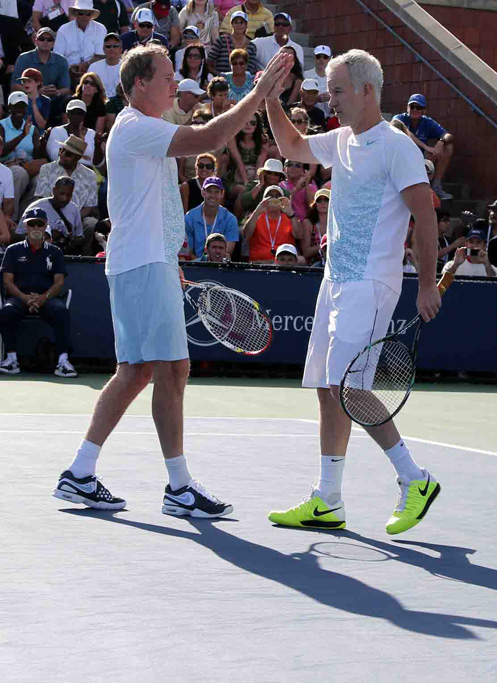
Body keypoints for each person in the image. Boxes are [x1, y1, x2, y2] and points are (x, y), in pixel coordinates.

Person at [51, 43, 294, 516]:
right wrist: (260, 92)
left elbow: (150, 204)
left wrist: (168, 258)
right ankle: (179, 488)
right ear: (140, 83)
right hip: (142, 265)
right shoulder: (136, 127)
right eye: (166, 77)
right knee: (171, 369)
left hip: (147, 262)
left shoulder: (144, 129)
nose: (173, 84)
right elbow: (211, 136)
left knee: (138, 371)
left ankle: (80, 472)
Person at [266, 49, 443, 535]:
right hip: (335, 281)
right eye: (329, 91)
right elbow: (291, 145)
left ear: (367, 91)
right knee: (330, 389)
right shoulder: (341, 140)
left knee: (350, 389)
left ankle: (415, 478)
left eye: (338, 90)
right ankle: (328, 499)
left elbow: (425, 216)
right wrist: (270, 100)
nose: (331, 100)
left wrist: (427, 283)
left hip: (371, 283)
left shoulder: (397, 147)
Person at [0, 207, 77, 378]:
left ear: (45, 226)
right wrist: (24, 298)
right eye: (32, 224)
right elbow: (7, 281)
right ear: (26, 227)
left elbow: (59, 282)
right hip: (19, 297)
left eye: (39, 224)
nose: (35, 227)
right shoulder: (13, 250)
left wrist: (44, 297)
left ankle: (63, 361)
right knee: (6, 312)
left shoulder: (55, 252)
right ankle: (11, 360)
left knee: (61, 312)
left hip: (46, 298)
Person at [35, 134, 99, 252]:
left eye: (68, 154)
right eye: (62, 150)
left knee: (91, 224)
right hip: (50, 217)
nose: (63, 155)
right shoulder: (46, 169)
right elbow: (41, 200)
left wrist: (73, 219)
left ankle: (84, 257)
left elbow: (89, 207)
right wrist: (57, 221)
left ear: (78, 157)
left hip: (79, 218)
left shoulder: (90, 175)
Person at [392, 93, 455, 201]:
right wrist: (425, 146)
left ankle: (435, 186)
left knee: (447, 147)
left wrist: (441, 141)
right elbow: (404, 132)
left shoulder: (427, 122)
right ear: (407, 108)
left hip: (422, 161)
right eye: (412, 107)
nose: (415, 110)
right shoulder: (399, 118)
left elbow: (448, 135)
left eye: (419, 107)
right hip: (402, 160)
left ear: (424, 110)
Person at [11, 28, 72, 125]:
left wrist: (56, 92)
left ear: (53, 43)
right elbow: (15, 85)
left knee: (68, 100)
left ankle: (65, 130)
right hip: (29, 99)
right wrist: (36, 91)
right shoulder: (24, 58)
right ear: (36, 41)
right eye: (42, 39)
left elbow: (66, 88)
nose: (45, 42)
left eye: (49, 39)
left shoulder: (62, 60)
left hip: (54, 101)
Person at [1, 92, 46, 220]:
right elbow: (2, 150)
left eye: (22, 107)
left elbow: (36, 154)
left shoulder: (32, 129)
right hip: (7, 165)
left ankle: (24, 218)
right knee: (19, 173)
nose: (19, 110)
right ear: (9, 107)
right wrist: (22, 135)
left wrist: (43, 144)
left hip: (28, 166)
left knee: (40, 180)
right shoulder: (1, 125)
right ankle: (11, 219)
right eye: (16, 106)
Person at [242, 184, 302, 264]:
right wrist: (257, 211)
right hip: (259, 263)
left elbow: (299, 235)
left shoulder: (289, 218)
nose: (274, 198)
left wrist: (291, 213)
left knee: (301, 260)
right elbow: (246, 235)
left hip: (284, 262)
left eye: (277, 196)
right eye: (270, 196)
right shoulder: (255, 216)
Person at [25, 176, 86, 253]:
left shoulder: (74, 208)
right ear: (54, 190)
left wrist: (68, 238)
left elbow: (79, 237)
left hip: (64, 252)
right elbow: (20, 234)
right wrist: (45, 234)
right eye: (61, 193)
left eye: (69, 195)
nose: (64, 198)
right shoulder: (36, 207)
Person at [184, 176, 238, 258]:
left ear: (222, 193)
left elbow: (227, 252)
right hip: (195, 263)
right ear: (203, 192)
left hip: (219, 262)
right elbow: (188, 251)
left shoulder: (230, 219)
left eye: (216, 192)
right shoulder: (189, 217)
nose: (212, 195)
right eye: (209, 191)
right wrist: (202, 262)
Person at [54, 0, 107, 76]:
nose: (84, 17)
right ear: (76, 13)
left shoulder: (100, 29)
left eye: (88, 14)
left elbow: (101, 55)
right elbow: (58, 57)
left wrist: (87, 64)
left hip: (94, 73)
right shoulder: (63, 30)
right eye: (81, 13)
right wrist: (70, 69)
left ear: (91, 15)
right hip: (68, 72)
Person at [223, 112, 267, 202]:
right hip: (234, 177)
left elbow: (260, 164)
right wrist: (246, 182)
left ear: (257, 125)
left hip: (254, 175)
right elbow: (238, 162)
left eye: (252, 123)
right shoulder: (232, 138)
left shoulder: (263, 140)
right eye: (245, 122)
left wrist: (255, 183)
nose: (248, 125)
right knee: (243, 190)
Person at [46, 99, 99, 166]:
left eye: (80, 113)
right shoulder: (56, 131)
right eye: (73, 112)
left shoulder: (92, 134)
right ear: (67, 114)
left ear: (84, 115)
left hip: (87, 169)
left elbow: (98, 164)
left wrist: (98, 146)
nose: (76, 115)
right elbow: (54, 156)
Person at [206, 11, 257, 75]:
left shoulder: (251, 45)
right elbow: (209, 62)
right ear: (231, 24)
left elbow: (252, 69)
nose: (238, 25)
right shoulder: (221, 40)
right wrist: (220, 74)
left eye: (241, 22)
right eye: (236, 22)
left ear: (246, 25)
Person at [67, 71, 107, 135]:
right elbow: (65, 126)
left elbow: (98, 133)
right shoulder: (70, 102)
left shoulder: (100, 107)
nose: (88, 85)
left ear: (97, 90)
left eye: (92, 84)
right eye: (85, 82)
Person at [279, 158, 315, 224]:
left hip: (304, 223)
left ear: (303, 171)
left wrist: (306, 185)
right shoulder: (280, 185)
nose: (293, 168)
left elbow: (312, 207)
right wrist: (296, 189)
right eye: (289, 165)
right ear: (284, 169)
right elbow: (282, 203)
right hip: (285, 222)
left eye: (297, 165)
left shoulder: (311, 187)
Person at [17, 68, 52, 133]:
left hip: (38, 135)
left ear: (38, 82)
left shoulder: (45, 100)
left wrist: (34, 104)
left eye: (29, 81)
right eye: (24, 81)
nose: (26, 84)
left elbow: (42, 125)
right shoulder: (19, 99)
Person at [300, 187, 327, 266]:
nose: (323, 203)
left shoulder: (337, 224)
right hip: (314, 263)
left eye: (326, 200)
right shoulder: (308, 223)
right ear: (315, 204)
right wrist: (324, 246)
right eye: (319, 200)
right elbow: (306, 252)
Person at [303, 45, 332, 117]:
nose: (321, 59)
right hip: (310, 116)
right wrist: (316, 99)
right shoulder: (306, 75)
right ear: (314, 58)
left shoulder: (334, 77)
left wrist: (331, 98)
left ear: (329, 59)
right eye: (318, 56)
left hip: (330, 117)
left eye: (325, 57)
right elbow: (301, 98)